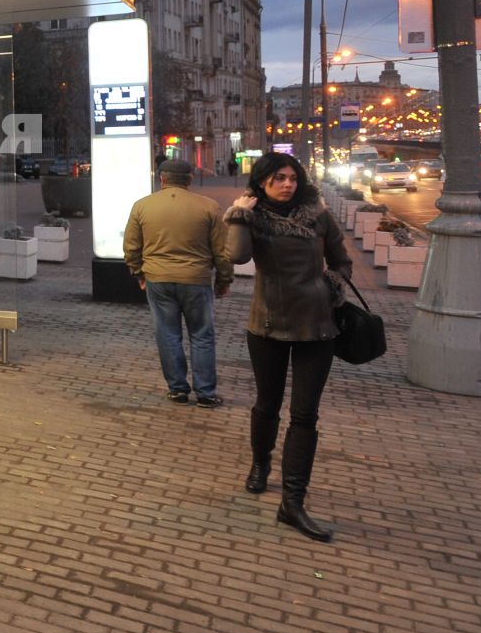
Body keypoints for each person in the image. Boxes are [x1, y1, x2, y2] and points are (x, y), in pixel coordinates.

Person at [223, 152, 354, 542]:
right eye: (278, 178)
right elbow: (237, 255)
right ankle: (260, 466)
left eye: (293, 178)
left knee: (304, 416)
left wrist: (330, 284)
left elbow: (342, 260)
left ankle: (293, 503)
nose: (287, 184)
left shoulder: (318, 216)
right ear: (262, 182)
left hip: (317, 326)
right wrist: (238, 215)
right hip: (268, 325)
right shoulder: (253, 217)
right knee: (267, 405)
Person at [124, 157, 233, 406]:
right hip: (197, 279)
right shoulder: (209, 207)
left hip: (158, 279)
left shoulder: (142, 206)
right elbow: (222, 251)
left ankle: (177, 389)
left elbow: (131, 247)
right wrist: (224, 280)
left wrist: (138, 273)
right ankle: (206, 393)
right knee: (202, 335)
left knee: (167, 334)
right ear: (190, 179)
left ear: (161, 179)